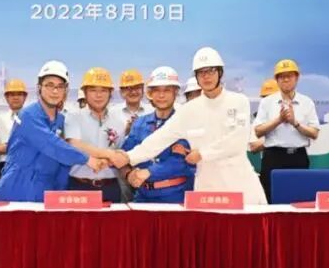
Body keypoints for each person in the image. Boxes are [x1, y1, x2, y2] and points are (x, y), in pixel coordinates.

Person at [111, 47, 266, 205]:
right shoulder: (189, 110)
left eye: (211, 71)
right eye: (201, 72)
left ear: (220, 72)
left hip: (240, 185)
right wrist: (129, 157)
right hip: (207, 188)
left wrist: (202, 154)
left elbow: (237, 142)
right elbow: (160, 138)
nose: (206, 76)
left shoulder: (239, 101)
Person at [0, 61, 108, 201]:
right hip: (18, 188)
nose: (55, 91)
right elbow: (52, 145)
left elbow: (63, 162)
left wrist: (60, 194)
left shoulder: (61, 120)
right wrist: (88, 159)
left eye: (60, 86)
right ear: (39, 87)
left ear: (65, 90)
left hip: (47, 190)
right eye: (49, 85)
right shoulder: (28, 116)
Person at [121, 66, 196, 203]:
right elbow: (125, 156)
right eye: (156, 90)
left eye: (167, 90)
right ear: (150, 93)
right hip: (142, 196)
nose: (161, 95)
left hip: (175, 196)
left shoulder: (186, 123)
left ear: (175, 92)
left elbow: (180, 161)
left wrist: (149, 172)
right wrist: (128, 174)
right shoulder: (140, 123)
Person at [252, 59, 320, 202]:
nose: (286, 80)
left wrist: (295, 123)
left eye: (290, 76)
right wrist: (279, 120)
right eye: (282, 76)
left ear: (297, 78)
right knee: (271, 199)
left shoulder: (306, 102)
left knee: (299, 200)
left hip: (298, 157)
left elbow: (314, 133)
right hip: (273, 157)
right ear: (276, 80)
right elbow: (258, 131)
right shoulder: (267, 102)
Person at [63, 68, 128, 202]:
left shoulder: (119, 122)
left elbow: (120, 153)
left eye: (103, 90)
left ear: (110, 93)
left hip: (111, 188)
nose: (98, 95)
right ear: (85, 93)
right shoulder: (73, 117)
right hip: (79, 186)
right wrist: (109, 154)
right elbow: (75, 145)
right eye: (93, 90)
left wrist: (107, 161)